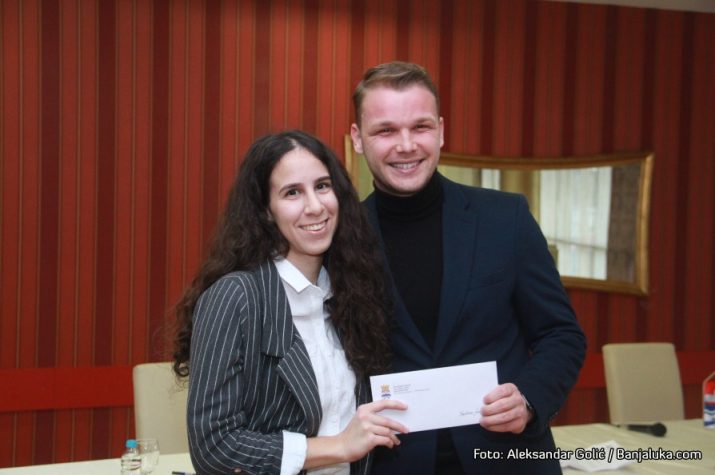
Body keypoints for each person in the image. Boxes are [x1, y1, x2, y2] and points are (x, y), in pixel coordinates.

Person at [349, 61, 587, 474]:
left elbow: (561, 334)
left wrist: (529, 399)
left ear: (441, 131)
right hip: (393, 463)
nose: (406, 145)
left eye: (420, 127)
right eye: (385, 131)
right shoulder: (342, 239)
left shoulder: (505, 218)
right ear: (357, 138)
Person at [172, 130, 408, 475]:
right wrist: (338, 446)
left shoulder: (353, 294)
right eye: (292, 192)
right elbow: (214, 447)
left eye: (322, 186)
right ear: (266, 211)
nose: (315, 206)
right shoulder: (236, 296)